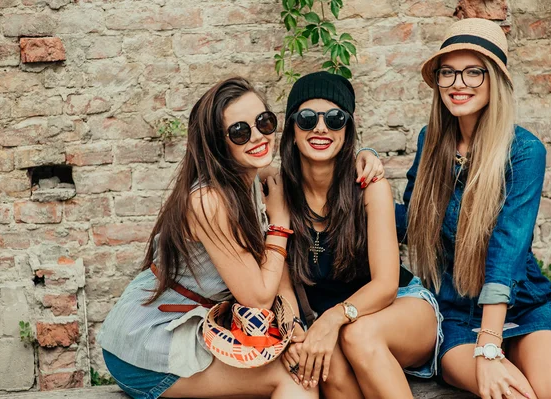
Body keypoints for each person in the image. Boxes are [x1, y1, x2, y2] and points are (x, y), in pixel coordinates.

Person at [97, 77, 382, 399]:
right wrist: (279, 224)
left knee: (309, 367)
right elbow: (259, 298)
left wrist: (366, 154)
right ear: (218, 144)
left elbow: (319, 163)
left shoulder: (252, 176)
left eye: (264, 122)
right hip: (149, 343)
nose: (258, 137)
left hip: (198, 326)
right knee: (297, 378)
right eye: (240, 132)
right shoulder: (208, 201)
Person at [396, 18, 551, 399]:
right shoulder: (431, 142)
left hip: (524, 305)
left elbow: (508, 247)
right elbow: (413, 220)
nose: (459, 84)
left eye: (474, 72)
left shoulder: (524, 151)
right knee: (510, 395)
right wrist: (363, 183)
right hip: (454, 315)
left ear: (495, 80)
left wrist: (490, 344)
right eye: (448, 73)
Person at [278, 71, 443, 399]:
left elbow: (385, 285)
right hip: (338, 329)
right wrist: (292, 331)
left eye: (335, 119)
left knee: (357, 336)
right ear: (292, 129)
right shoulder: (279, 194)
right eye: (308, 119)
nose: (321, 128)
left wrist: (331, 319)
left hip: (400, 308)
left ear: (347, 128)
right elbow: (282, 287)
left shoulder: (369, 186)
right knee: (325, 361)